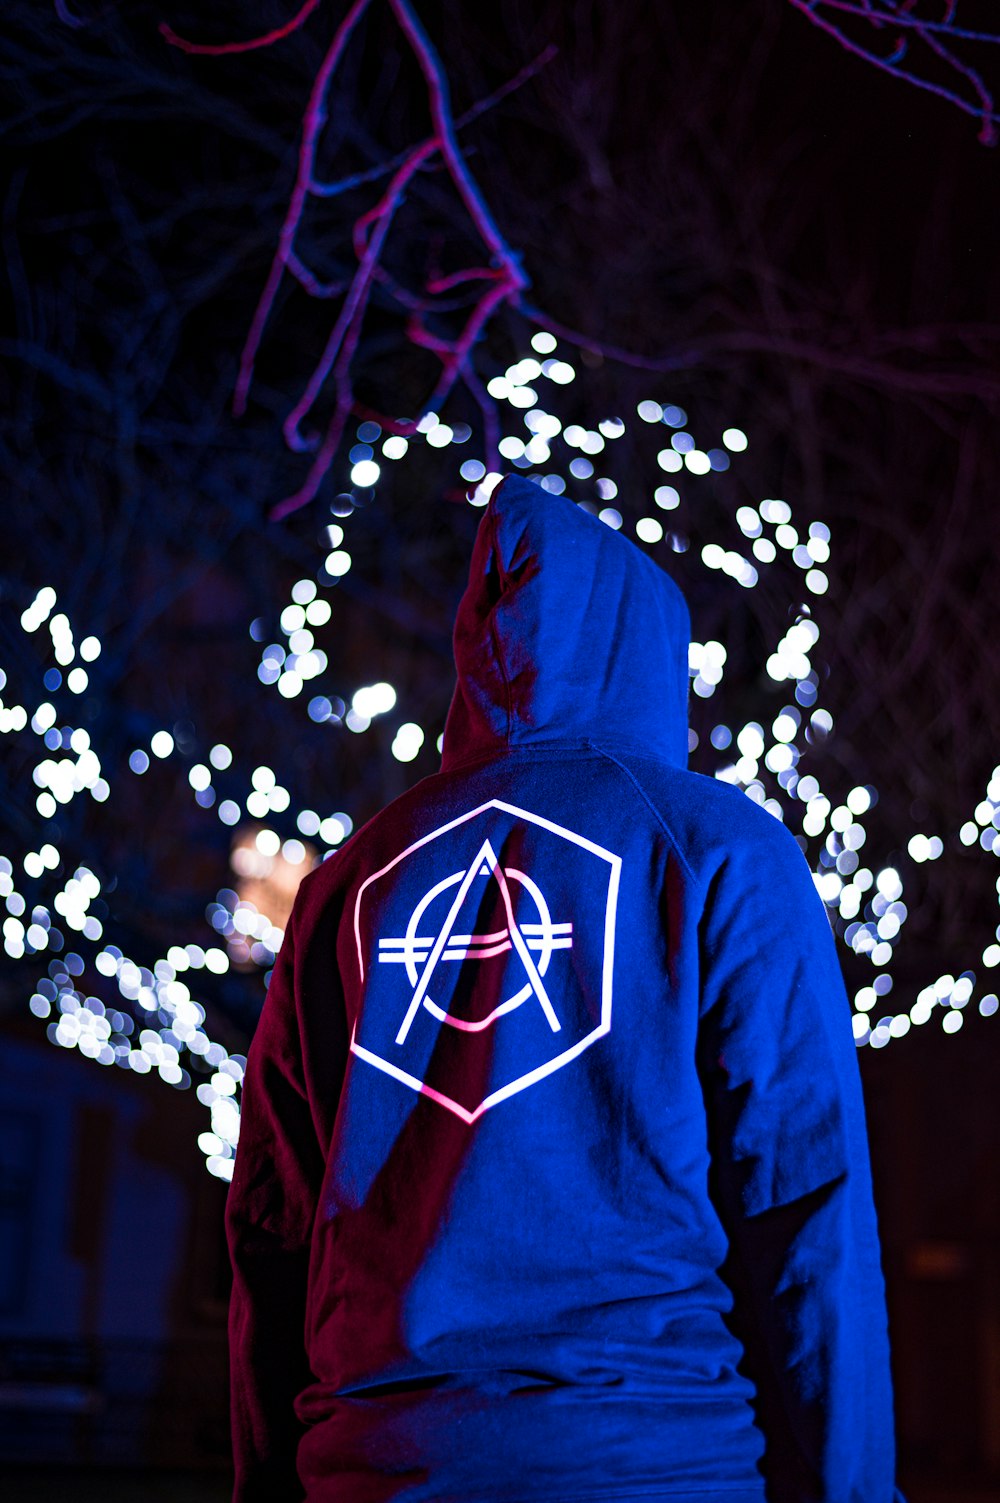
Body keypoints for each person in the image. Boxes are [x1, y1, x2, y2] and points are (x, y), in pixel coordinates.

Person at [227, 473, 902, 1502]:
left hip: (372, 1467)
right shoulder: (718, 849)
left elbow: (271, 1230)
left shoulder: (343, 886)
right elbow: (807, 1203)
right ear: (648, 657)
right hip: (649, 1456)